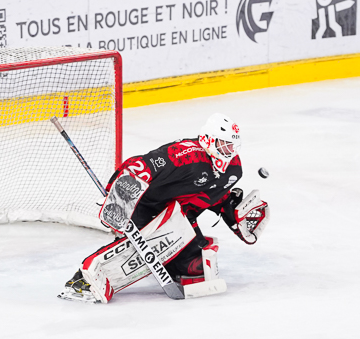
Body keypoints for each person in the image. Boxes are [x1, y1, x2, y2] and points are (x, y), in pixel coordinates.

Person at [59, 113, 270, 303]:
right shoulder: (185, 155)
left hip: (175, 212)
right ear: (208, 140)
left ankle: (169, 260)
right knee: (135, 253)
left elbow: (208, 195)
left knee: (195, 270)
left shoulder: (233, 169)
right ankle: (83, 281)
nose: (230, 152)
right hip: (144, 205)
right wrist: (118, 199)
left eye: (232, 146)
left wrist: (230, 208)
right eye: (225, 145)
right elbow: (137, 166)